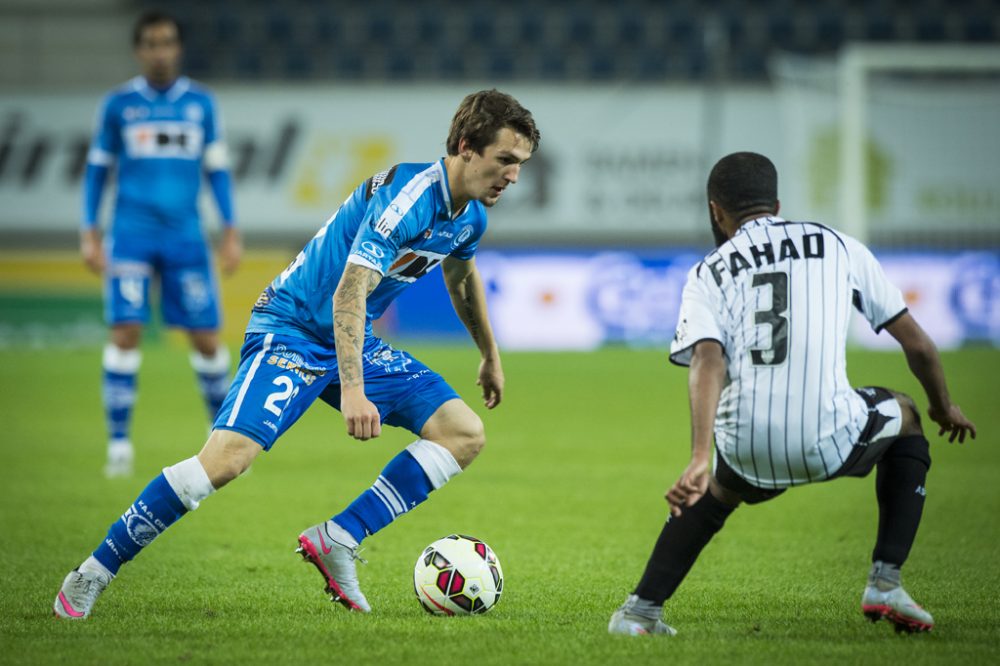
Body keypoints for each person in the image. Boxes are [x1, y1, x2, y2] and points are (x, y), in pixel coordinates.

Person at [53, 89, 541, 620]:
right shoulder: (408, 196)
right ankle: (91, 573)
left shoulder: (469, 217)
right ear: (467, 147)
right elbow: (350, 290)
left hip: (351, 339)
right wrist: (354, 391)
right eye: (506, 161)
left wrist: (488, 353)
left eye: (520, 165)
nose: (513, 177)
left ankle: (338, 538)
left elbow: (462, 276)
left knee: (463, 432)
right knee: (226, 461)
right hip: (291, 330)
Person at [608, 152, 976, 636]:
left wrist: (699, 456)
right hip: (833, 438)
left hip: (746, 449)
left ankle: (640, 612)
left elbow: (707, 360)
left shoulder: (708, 272)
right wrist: (942, 405)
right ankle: (885, 581)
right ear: (777, 203)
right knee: (905, 414)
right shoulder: (839, 246)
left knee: (717, 491)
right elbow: (917, 344)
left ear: (716, 211)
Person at [81, 10, 242, 477]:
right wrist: (89, 232)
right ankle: (118, 446)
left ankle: (225, 442)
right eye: (151, 43)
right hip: (130, 234)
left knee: (208, 340)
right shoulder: (118, 106)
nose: (160, 51)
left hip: (186, 236)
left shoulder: (201, 104)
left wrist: (230, 231)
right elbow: (96, 172)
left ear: (178, 48)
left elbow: (217, 172)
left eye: (167, 42)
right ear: (139, 50)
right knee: (125, 331)